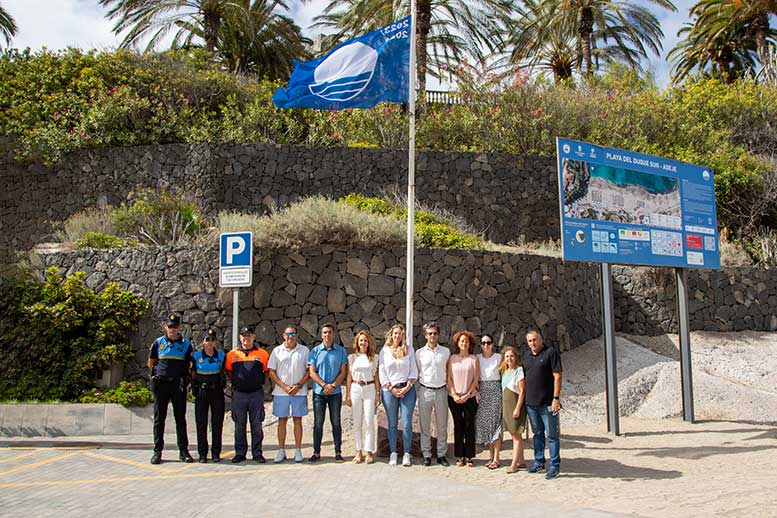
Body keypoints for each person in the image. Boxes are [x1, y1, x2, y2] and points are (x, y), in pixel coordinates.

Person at [148, 313, 193, 465]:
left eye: (175, 326)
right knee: (159, 419)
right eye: (170, 326)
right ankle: (157, 451)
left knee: (180, 419)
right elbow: (151, 363)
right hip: (161, 385)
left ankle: (183, 451)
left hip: (178, 385)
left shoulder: (186, 344)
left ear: (180, 327)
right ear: (165, 327)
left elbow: (189, 365)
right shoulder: (158, 343)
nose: (173, 329)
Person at [225, 325, 270, 464]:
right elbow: (228, 371)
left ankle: (257, 453)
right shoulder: (232, 354)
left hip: (256, 394)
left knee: (256, 424)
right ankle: (240, 453)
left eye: (249, 335)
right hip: (239, 395)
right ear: (240, 337)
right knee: (239, 425)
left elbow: (267, 372)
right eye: (244, 335)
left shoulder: (262, 354)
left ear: (254, 337)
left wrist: (257, 382)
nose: (246, 338)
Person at [522, 330, 563, 479]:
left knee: (552, 435)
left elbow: (557, 375)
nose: (532, 343)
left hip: (547, 404)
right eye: (530, 341)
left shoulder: (551, 353)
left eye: (535, 340)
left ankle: (554, 466)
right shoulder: (526, 356)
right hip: (531, 403)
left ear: (541, 340)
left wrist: (556, 398)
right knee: (537, 434)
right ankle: (539, 462)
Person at [267, 325, 310, 464]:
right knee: (282, 421)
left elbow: (309, 371)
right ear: (283, 335)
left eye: (293, 334)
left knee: (298, 420)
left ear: (297, 335)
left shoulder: (304, 350)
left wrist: (298, 385)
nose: (290, 336)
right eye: (288, 334)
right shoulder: (277, 351)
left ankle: (298, 450)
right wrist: (284, 386)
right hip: (281, 392)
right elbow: (271, 372)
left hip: (299, 392)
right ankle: (281, 450)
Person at [308, 323, 348, 462]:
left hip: (335, 392)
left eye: (330, 332)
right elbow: (312, 372)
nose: (327, 334)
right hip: (319, 392)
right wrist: (324, 384)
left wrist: (333, 385)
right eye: (325, 332)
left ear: (334, 334)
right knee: (318, 423)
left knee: (336, 422)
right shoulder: (314, 351)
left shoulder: (341, 351)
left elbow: (343, 372)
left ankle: (338, 452)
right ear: (321, 335)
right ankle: (316, 452)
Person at [379, 323, 418, 467]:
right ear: (391, 334)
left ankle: (407, 453)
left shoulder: (409, 350)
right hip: (390, 390)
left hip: (407, 390)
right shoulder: (384, 351)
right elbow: (382, 371)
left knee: (407, 423)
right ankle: (393, 453)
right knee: (392, 423)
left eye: (400, 333)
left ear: (403, 336)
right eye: (395, 333)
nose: (397, 336)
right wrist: (391, 388)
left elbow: (413, 369)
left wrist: (408, 386)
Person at [415, 321, 450, 467]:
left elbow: (448, 371)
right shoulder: (419, 353)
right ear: (425, 335)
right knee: (425, 425)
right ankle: (427, 454)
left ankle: (441, 454)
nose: (432, 336)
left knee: (442, 425)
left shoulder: (446, 352)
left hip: (441, 390)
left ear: (438, 335)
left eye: (435, 333)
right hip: (425, 390)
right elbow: (417, 373)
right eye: (430, 333)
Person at [191, 327, 226, 463]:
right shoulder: (196, 357)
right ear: (203, 342)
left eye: (212, 340)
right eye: (207, 340)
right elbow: (193, 374)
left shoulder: (221, 356)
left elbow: (225, 372)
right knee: (201, 424)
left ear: (215, 342)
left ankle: (216, 453)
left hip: (216, 392)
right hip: (202, 392)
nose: (210, 343)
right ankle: (202, 454)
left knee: (217, 423)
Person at [345, 330, 380, 464]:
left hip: (369, 388)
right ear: (357, 342)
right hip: (355, 388)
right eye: (361, 340)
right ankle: (358, 451)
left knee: (369, 421)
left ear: (369, 342)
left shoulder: (374, 358)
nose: (363, 343)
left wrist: (378, 393)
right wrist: (347, 395)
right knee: (357, 421)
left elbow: (376, 377)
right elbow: (349, 377)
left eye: (365, 340)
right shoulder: (352, 358)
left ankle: (369, 451)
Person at [447, 329, 479, 467]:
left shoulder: (474, 359)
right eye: (462, 341)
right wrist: (454, 393)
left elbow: (476, 378)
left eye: (466, 341)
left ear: (470, 343)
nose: (464, 343)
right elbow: (449, 377)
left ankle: (470, 456)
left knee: (469, 425)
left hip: (470, 397)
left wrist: (467, 394)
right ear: (457, 343)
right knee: (458, 425)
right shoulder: (452, 359)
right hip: (454, 398)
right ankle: (460, 456)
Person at [475, 333, 503, 469]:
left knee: (495, 425)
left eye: (488, 342)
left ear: (493, 344)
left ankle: (496, 457)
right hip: (483, 392)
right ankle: (490, 456)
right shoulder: (478, 358)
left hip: (495, 391)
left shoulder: (499, 358)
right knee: (486, 426)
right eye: (484, 343)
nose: (486, 345)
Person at [500, 345, 527, 474]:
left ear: (515, 357)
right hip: (506, 406)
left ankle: (514, 464)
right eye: (506, 356)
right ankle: (521, 461)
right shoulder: (505, 372)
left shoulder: (519, 371)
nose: (509, 358)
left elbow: (522, 392)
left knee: (516, 435)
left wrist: (517, 408)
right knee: (515, 434)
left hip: (515, 406)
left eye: (511, 356)